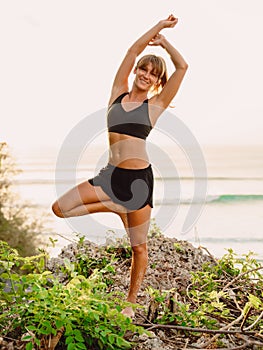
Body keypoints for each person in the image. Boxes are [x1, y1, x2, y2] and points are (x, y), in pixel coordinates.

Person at [52, 14, 188, 318]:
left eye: (153, 73)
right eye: (143, 68)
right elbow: (130, 50)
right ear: (137, 70)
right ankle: (114, 206)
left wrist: (165, 42)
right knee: (60, 208)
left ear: (157, 81)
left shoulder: (154, 106)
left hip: (139, 181)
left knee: (139, 247)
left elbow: (183, 67)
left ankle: (130, 303)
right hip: (110, 176)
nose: (146, 74)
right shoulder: (118, 93)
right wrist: (157, 27)